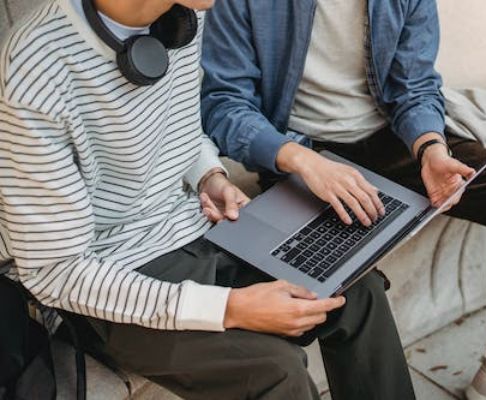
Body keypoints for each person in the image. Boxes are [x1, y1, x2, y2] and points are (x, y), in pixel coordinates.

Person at [0, 0, 412, 399]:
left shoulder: (179, 19)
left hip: (193, 226)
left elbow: (179, 125)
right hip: (107, 280)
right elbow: (56, 271)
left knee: (357, 290)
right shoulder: (34, 71)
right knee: (275, 370)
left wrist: (208, 175)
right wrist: (229, 307)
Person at [200, 0, 486, 399]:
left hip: (391, 137)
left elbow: (415, 86)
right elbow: (225, 104)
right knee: (345, 279)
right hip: (300, 152)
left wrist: (431, 148)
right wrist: (303, 161)